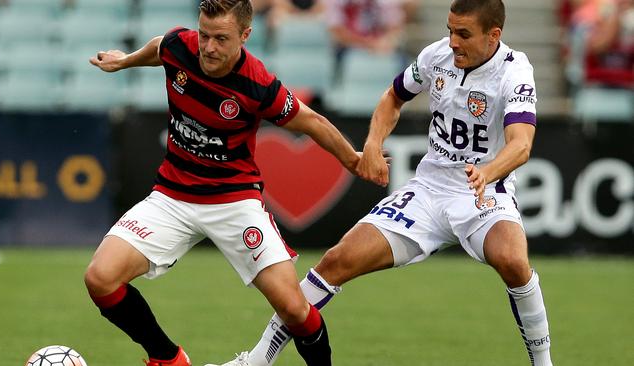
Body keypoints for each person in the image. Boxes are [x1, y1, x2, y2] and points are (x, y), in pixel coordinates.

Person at [205, 1, 554, 365]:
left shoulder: (514, 72)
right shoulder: (436, 55)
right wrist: (372, 144)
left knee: (513, 262)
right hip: (429, 190)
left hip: (483, 191)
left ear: (493, 35)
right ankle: (256, 361)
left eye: (463, 34)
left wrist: (488, 171)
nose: (452, 41)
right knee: (336, 261)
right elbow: (393, 97)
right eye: (450, 30)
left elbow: (521, 144)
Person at [83, 0, 374, 365]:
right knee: (100, 278)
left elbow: (311, 121)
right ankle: (168, 358)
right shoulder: (180, 46)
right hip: (172, 196)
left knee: (294, 308)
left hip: (234, 201)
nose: (208, 47)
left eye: (220, 38)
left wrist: (354, 160)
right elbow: (159, 47)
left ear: (245, 35)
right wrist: (124, 60)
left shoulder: (258, 84)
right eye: (204, 35)